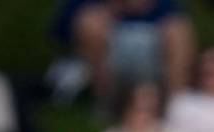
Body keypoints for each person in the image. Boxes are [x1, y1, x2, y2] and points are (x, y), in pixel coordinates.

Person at [52, 0, 195, 103]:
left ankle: (176, 108)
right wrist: (115, 6)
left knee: (178, 31)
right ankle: (108, 105)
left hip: (152, 46)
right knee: (90, 24)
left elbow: (175, 16)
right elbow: (64, 28)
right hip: (104, 52)